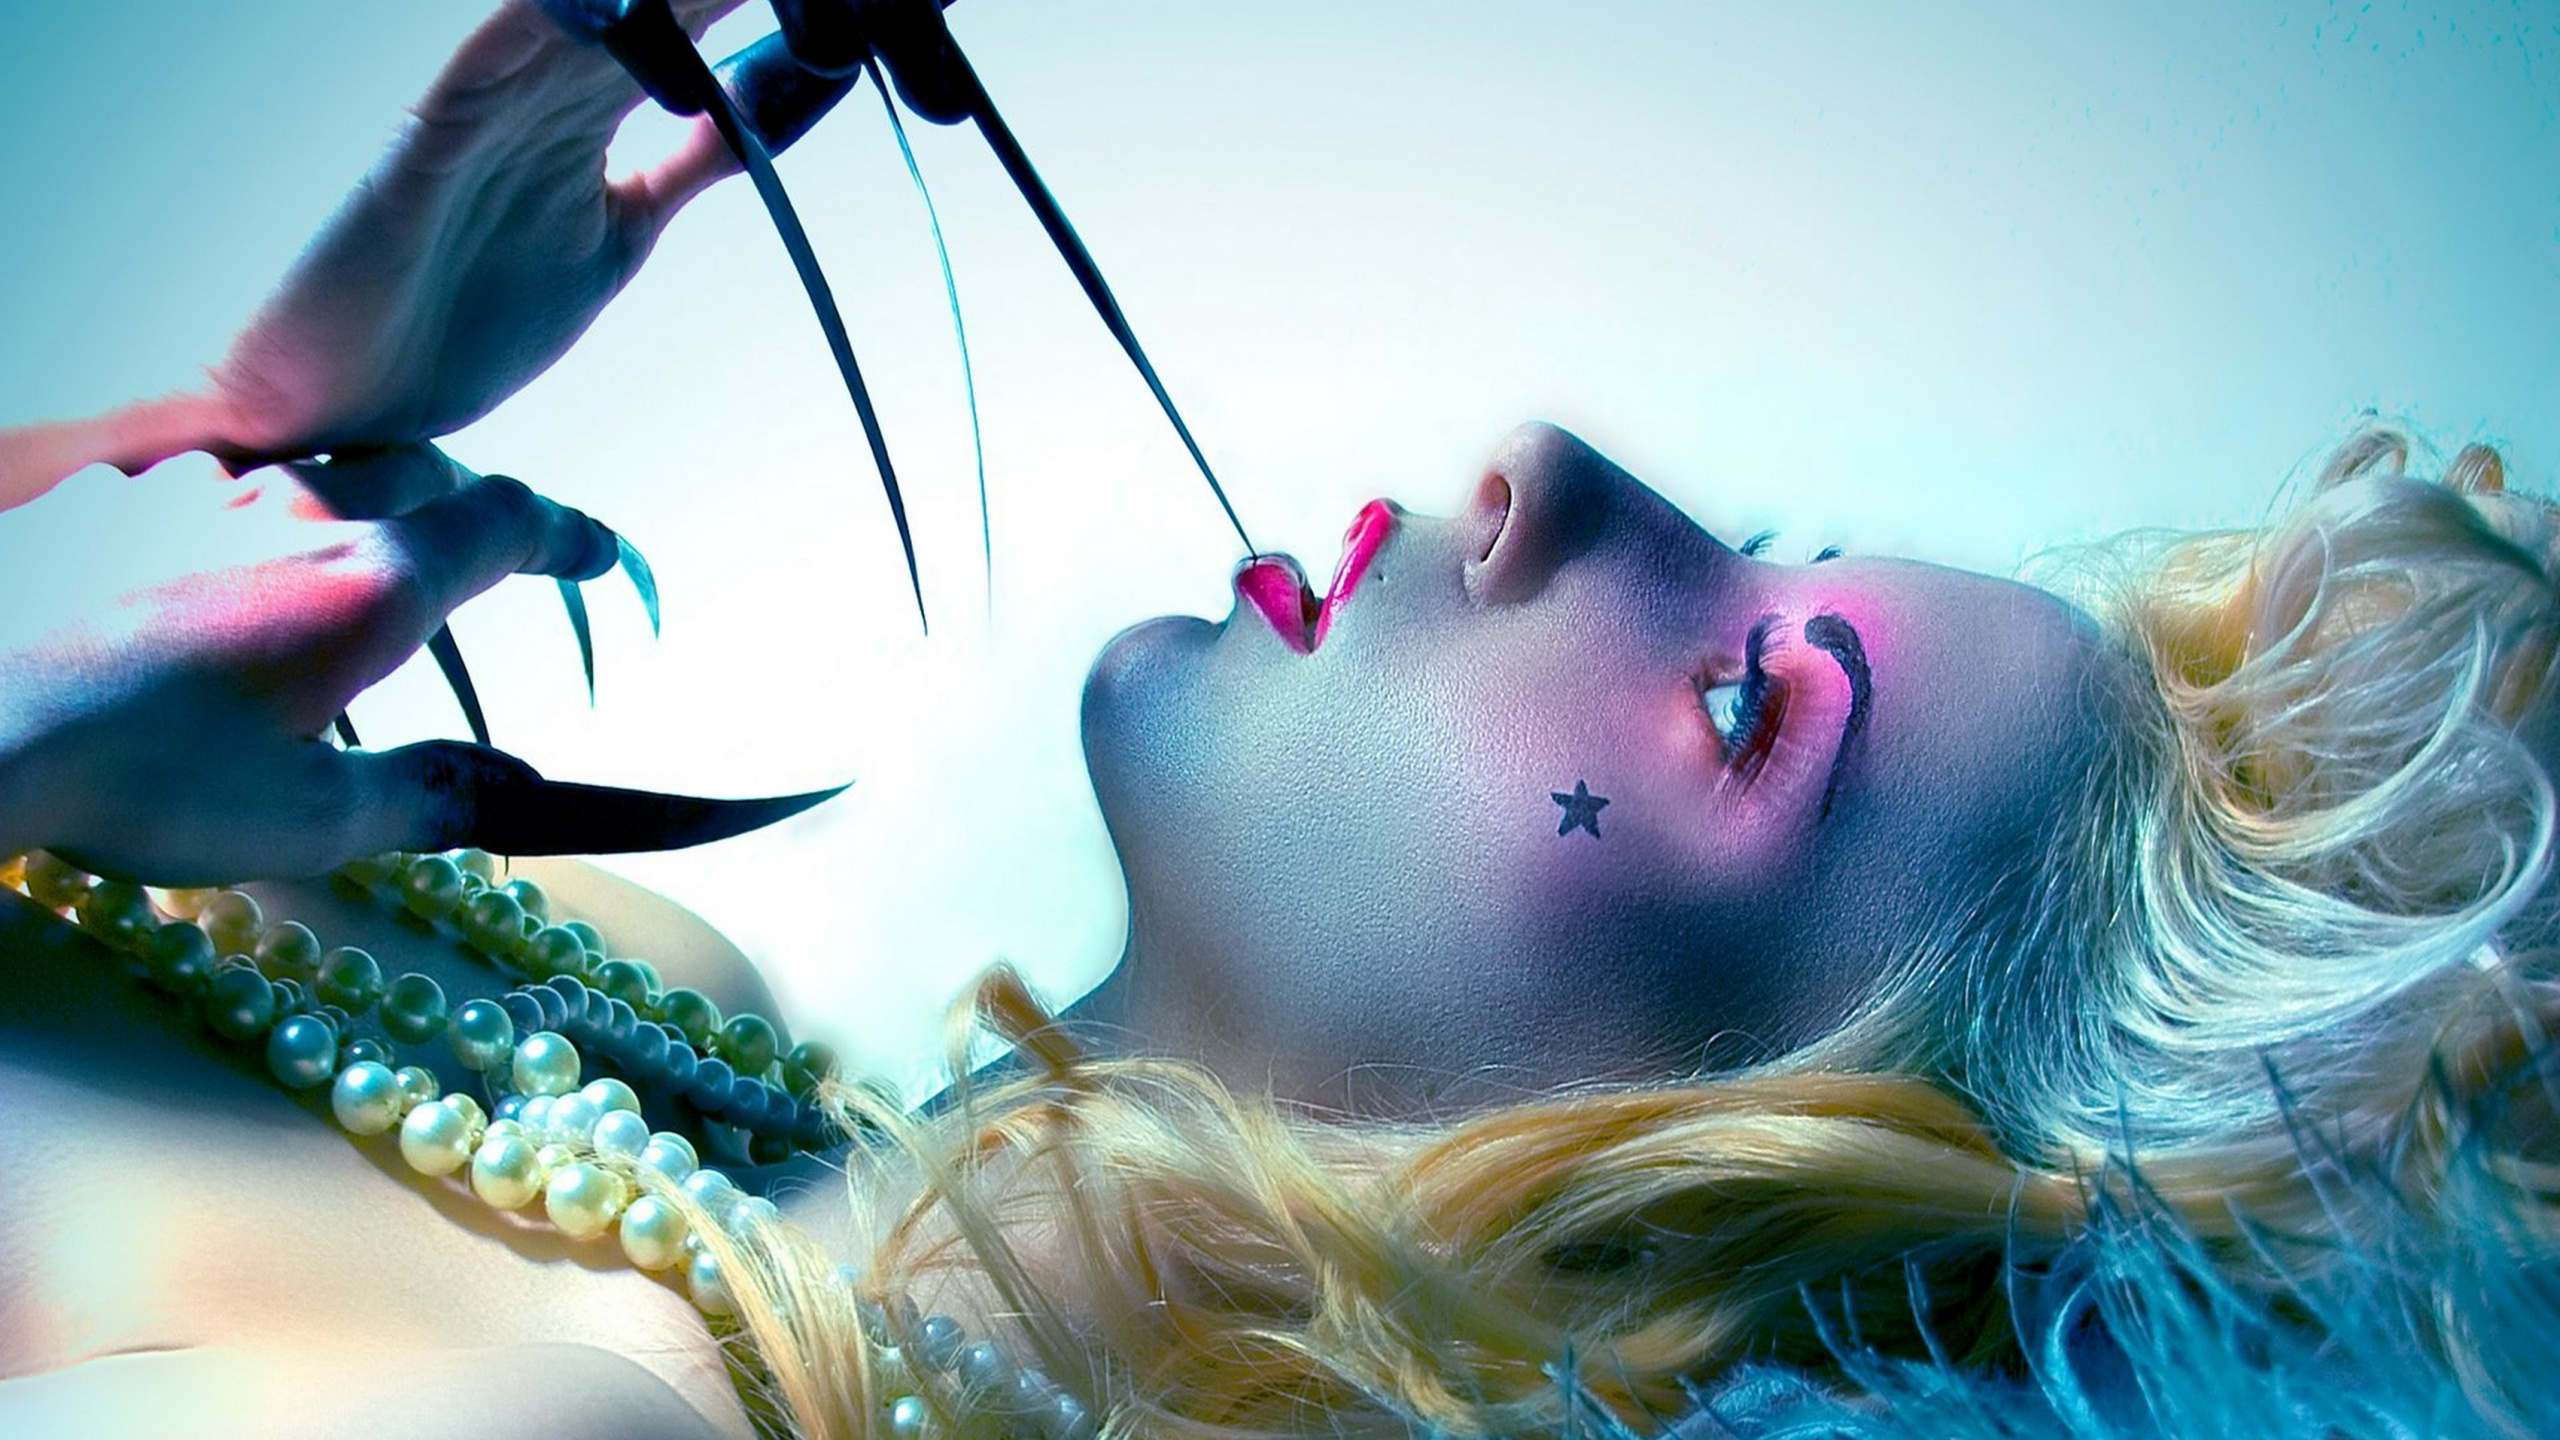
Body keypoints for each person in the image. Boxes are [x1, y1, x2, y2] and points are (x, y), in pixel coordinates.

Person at [4, 4, 2556, 1438]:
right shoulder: (637, 992)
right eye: (1764, 539)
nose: (1547, 467)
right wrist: (245, 446)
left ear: (1668, 1198)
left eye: (1740, 700)